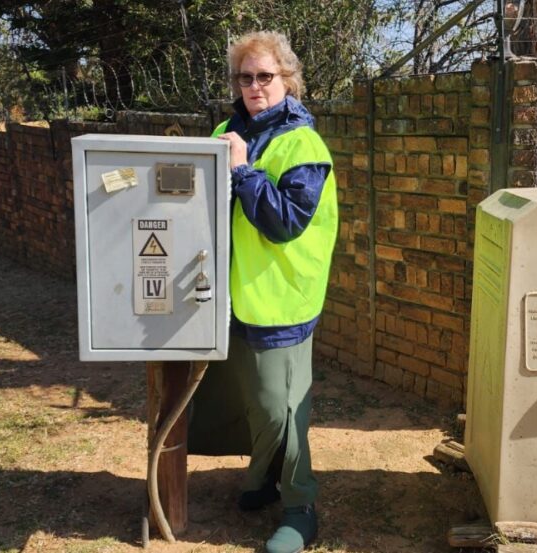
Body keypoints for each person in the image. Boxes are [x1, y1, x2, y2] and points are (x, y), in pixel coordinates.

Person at [187, 30, 338, 553]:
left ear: (288, 80)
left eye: (265, 76)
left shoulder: (303, 144)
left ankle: (301, 508)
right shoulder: (228, 129)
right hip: (230, 295)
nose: (255, 86)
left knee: (285, 408)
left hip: (283, 298)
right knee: (253, 399)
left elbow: (285, 221)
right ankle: (261, 480)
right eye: (245, 77)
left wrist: (242, 170)